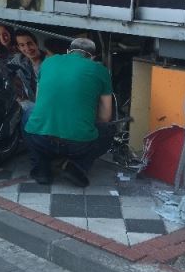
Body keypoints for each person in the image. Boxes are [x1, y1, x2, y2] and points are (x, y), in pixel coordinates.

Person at [23, 37, 114, 187]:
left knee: (29, 112)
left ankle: (41, 169)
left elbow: (39, 102)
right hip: (78, 145)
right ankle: (77, 168)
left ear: (68, 51)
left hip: (41, 139)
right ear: (93, 57)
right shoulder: (101, 70)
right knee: (108, 129)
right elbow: (105, 117)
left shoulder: (48, 62)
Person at [9, 29, 49, 109]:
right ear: (19, 48)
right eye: (22, 45)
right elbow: (4, 70)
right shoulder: (20, 60)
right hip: (33, 107)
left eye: (29, 43)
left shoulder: (49, 61)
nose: (27, 48)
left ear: (36, 43)